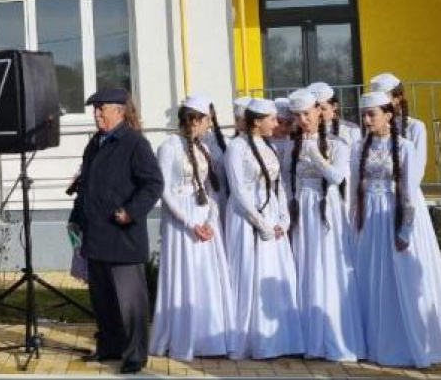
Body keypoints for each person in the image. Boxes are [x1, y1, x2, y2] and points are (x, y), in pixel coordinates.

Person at [351, 91, 441, 367]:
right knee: (368, 273)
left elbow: (408, 191)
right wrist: (353, 222)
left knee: (396, 275)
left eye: (372, 114)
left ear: (388, 115)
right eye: (364, 115)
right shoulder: (358, 147)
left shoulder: (404, 146)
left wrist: (405, 229)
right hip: (368, 219)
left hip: (390, 215)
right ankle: (369, 340)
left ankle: (399, 340)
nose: (367, 120)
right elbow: (354, 190)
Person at [70, 88, 163, 374]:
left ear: (120, 111)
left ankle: (135, 355)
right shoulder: (95, 143)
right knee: (103, 299)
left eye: (102, 109)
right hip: (96, 233)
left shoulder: (135, 143)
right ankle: (110, 346)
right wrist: (76, 217)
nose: (96, 114)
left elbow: (153, 184)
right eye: (95, 109)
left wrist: (130, 211)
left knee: (130, 302)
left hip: (122, 235)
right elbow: (86, 185)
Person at [149, 94, 232, 361]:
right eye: (207, 119)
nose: (210, 124)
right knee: (184, 274)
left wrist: (210, 220)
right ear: (195, 120)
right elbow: (165, 190)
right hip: (181, 219)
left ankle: (208, 337)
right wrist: (190, 222)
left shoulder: (204, 147)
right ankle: (183, 336)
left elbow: (210, 188)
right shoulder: (169, 146)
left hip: (203, 213)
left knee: (205, 275)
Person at [283, 89, 364, 361]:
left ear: (319, 110)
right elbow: (287, 180)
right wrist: (289, 207)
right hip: (302, 210)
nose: (302, 120)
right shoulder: (292, 145)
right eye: (297, 116)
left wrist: (316, 155)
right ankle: (307, 336)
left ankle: (334, 335)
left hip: (326, 208)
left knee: (327, 265)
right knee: (305, 264)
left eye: (306, 114)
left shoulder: (337, 143)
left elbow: (337, 177)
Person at [224, 97, 303, 359]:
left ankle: (280, 340)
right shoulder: (237, 147)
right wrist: (261, 223)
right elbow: (238, 190)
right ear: (257, 121)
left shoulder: (268, 146)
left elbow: (277, 185)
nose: (276, 124)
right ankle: (250, 339)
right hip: (247, 218)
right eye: (271, 119)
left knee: (274, 272)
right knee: (250, 272)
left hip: (271, 216)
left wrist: (283, 218)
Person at [368, 72, 427, 165]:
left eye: (382, 99)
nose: (378, 104)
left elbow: (418, 165)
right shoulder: (373, 126)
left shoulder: (415, 126)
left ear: (398, 98)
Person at [307, 82, 361, 147]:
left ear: (334, 106)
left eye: (323, 109)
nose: (318, 113)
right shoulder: (305, 131)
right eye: (315, 109)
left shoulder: (351, 129)